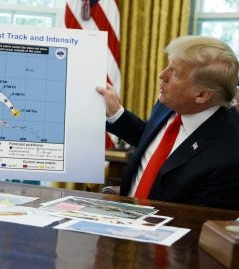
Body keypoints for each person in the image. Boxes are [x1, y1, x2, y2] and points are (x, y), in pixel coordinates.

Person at [96, 35, 239, 210]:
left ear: (202, 95)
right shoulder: (171, 103)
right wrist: (116, 112)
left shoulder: (231, 155)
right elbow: (151, 141)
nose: (162, 75)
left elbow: (199, 225)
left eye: (175, 73)